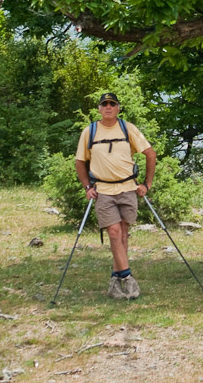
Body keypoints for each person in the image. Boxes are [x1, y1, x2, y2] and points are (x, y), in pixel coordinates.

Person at [75, 93, 156, 300]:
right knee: (113, 232)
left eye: (112, 104)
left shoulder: (127, 128)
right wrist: (87, 187)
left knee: (122, 235)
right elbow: (79, 161)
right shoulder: (90, 131)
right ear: (99, 109)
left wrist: (147, 184)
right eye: (105, 104)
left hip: (128, 188)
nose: (108, 107)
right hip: (103, 190)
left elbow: (150, 153)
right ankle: (128, 278)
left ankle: (114, 281)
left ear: (118, 108)